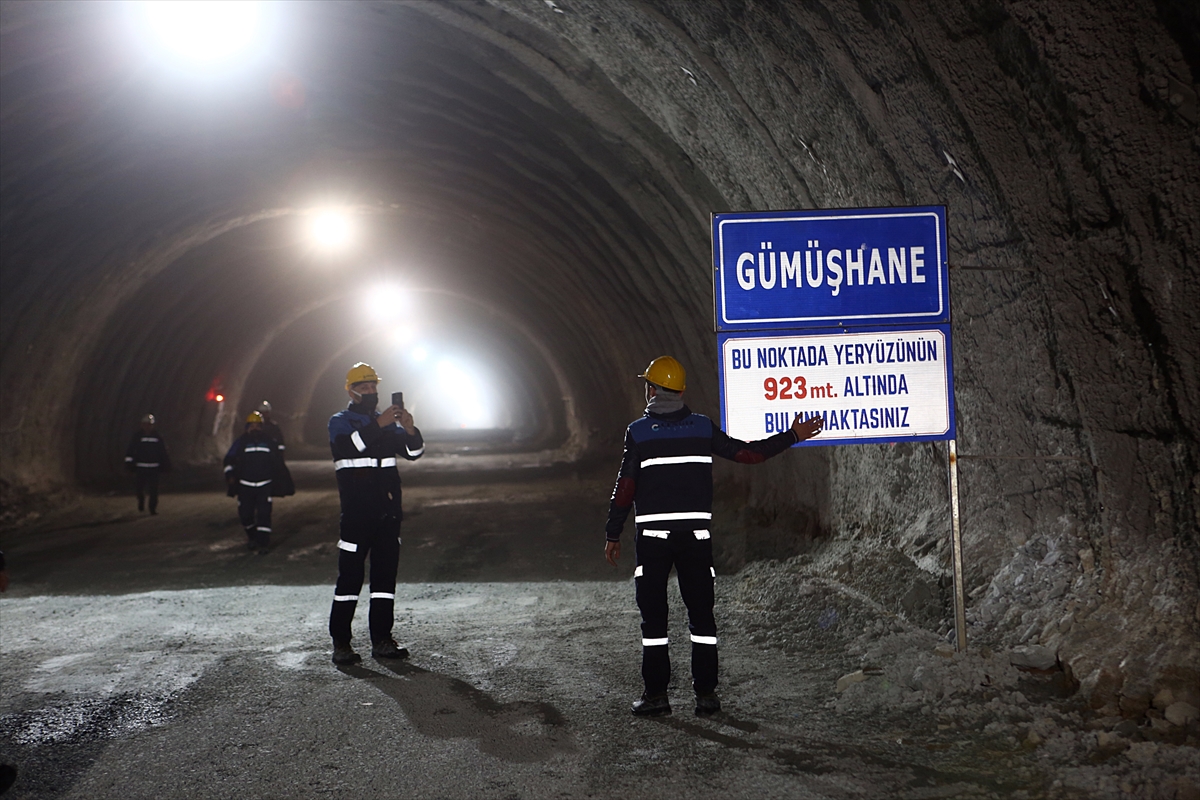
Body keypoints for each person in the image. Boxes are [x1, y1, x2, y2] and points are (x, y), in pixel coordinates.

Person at [605, 356, 823, 717]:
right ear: (681, 391)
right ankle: (706, 697)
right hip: (695, 537)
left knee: (654, 620)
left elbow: (625, 487)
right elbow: (749, 454)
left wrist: (613, 532)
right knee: (702, 618)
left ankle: (656, 696)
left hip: (654, 537)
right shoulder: (702, 428)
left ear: (652, 389)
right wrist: (792, 436)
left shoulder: (638, 432)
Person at [328, 362, 425, 665]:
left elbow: (413, 453)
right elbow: (351, 448)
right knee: (350, 581)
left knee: (384, 581)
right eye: (364, 387)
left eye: (373, 386)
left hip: (387, 514)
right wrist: (379, 424)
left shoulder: (382, 422)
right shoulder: (340, 421)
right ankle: (341, 643)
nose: (370, 391)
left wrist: (409, 430)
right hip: (357, 516)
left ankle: (382, 639)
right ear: (351, 390)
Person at [224, 411, 291, 552]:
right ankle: (252, 536)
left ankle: (263, 543)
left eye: (257, 425)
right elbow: (229, 459)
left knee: (264, 514)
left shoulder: (268, 442)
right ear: (247, 427)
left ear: (262, 427)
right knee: (245, 514)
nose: (254, 428)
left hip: (264, 484)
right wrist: (230, 475)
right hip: (245, 485)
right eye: (252, 425)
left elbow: (277, 463)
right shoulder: (240, 442)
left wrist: (280, 481)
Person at [124, 414, 171, 514]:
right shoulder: (137, 436)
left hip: (154, 468)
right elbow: (131, 450)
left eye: (149, 425)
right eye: (146, 424)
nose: (147, 427)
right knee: (139, 489)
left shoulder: (157, 437)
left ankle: (152, 508)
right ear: (142, 425)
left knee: (154, 490)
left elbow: (163, 452)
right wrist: (129, 464)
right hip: (141, 467)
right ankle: (141, 500)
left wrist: (166, 465)